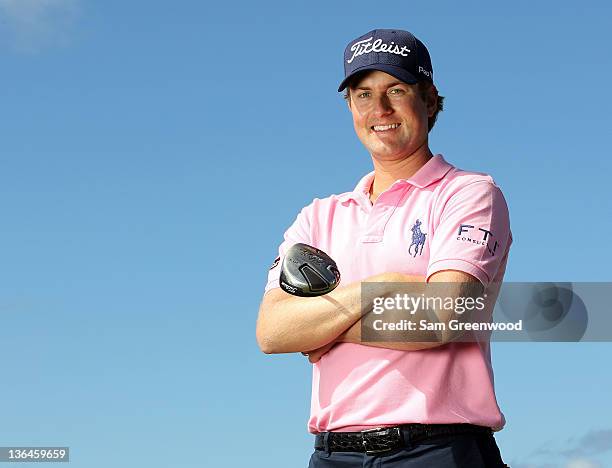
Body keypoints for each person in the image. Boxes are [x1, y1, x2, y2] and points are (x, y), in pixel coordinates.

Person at [256, 28, 511, 467]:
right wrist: (377, 289)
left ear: (429, 99)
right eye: (363, 94)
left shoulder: (469, 193)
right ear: (350, 106)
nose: (380, 109)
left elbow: (440, 317)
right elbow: (273, 332)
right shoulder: (318, 216)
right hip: (334, 454)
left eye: (396, 90)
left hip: (438, 450)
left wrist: (323, 328)